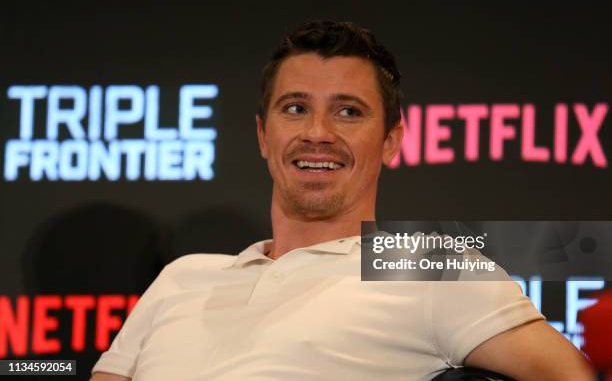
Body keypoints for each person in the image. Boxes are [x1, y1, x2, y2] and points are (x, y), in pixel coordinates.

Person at [91, 21, 594, 380]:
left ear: (392, 141)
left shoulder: (429, 267)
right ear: (264, 135)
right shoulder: (183, 276)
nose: (317, 133)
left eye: (348, 112)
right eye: (295, 108)